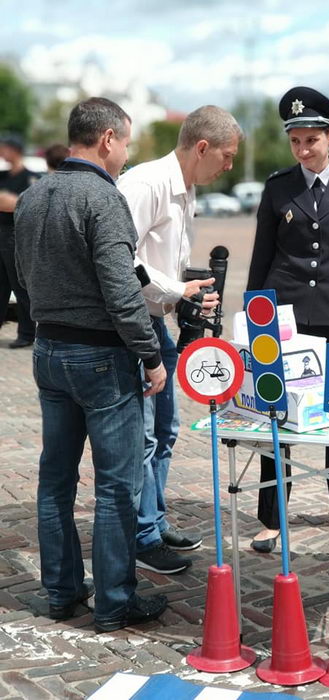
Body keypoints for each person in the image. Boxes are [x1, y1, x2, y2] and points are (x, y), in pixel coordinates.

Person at [14, 97, 169, 632]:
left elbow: (23, 276)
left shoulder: (34, 196)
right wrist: (151, 356)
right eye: (125, 142)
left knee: (56, 479)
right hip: (101, 356)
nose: (125, 153)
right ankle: (114, 601)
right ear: (107, 139)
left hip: (49, 349)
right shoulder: (103, 197)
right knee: (116, 486)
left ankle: (61, 591)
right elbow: (122, 292)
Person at [246, 86, 329, 553]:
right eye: (295, 141)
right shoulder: (277, 186)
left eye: (311, 141)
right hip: (284, 317)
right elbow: (261, 258)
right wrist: (254, 322)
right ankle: (272, 517)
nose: (303, 150)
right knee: (276, 416)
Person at [117, 106, 243, 574]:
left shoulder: (185, 189)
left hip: (157, 322)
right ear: (202, 147)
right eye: (227, 156)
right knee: (146, 435)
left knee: (166, 430)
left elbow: (160, 262)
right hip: (135, 325)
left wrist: (191, 292)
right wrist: (178, 289)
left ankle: (153, 519)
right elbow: (120, 259)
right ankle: (142, 537)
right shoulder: (145, 184)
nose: (230, 166)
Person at [0, 133, 38, 348]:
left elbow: (29, 205)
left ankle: (26, 333)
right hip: (1, 232)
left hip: (17, 234)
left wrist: (12, 202)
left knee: (20, 286)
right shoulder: (3, 176)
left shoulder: (30, 177)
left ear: (15, 150)